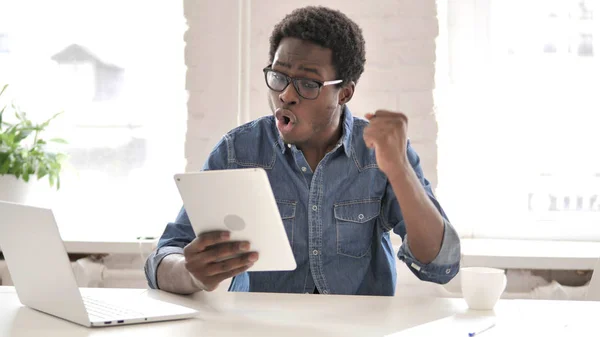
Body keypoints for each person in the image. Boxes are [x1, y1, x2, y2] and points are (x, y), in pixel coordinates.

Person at [144, 6, 460, 296]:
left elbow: (441, 265)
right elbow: (163, 257)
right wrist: (192, 273)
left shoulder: (384, 152)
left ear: (344, 93)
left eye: (308, 84)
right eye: (279, 77)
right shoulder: (237, 151)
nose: (286, 95)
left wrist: (400, 171)